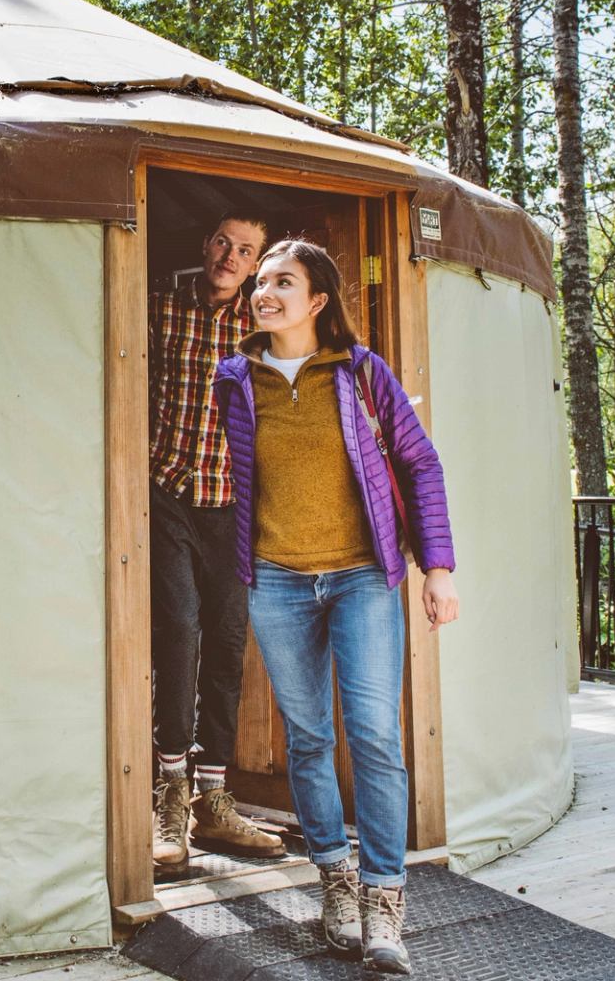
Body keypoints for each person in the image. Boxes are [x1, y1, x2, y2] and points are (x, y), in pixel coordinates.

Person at [212, 239, 458, 975]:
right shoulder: (236, 378)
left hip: (361, 576)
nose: (265, 293)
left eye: (283, 281)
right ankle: (335, 882)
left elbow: (419, 462)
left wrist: (437, 568)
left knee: (375, 735)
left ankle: (385, 897)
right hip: (279, 580)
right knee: (309, 739)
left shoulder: (360, 372)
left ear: (318, 301)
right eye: (260, 283)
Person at [148, 213, 287, 875]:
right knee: (178, 628)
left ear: (257, 264)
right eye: (224, 243)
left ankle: (214, 801)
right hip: (166, 492)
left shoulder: (265, 331)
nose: (232, 256)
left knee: (229, 644)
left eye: (246, 250)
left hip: (231, 506)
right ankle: (168, 795)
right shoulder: (158, 306)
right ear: (206, 246)